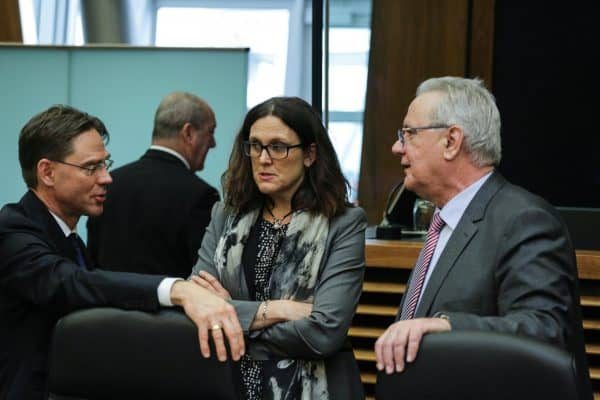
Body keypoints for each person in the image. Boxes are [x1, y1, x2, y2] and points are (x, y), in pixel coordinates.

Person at [0, 105, 243, 400]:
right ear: (47, 172)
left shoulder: (71, 238)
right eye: (91, 167)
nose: (107, 178)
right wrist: (178, 290)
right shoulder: (13, 231)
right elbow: (71, 283)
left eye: (105, 164)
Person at [374, 76, 592, 399]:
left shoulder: (525, 220)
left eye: (408, 133)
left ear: (451, 141)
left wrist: (447, 325)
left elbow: (544, 329)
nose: (397, 147)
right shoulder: (443, 220)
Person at [190, 96, 367, 399]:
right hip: (231, 384)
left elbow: (324, 334)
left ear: (310, 154)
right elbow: (199, 309)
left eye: (278, 147)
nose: (263, 158)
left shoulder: (344, 222)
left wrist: (233, 318)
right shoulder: (226, 215)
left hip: (315, 388)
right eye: (255, 145)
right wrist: (278, 310)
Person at [87, 92, 219, 278]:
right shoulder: (201, 195)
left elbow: (92, 263)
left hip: (104, 304)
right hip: (169, 306)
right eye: (210, 132)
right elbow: (203, 276)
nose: (213, 143)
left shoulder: (109, 184)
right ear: (188, 133)